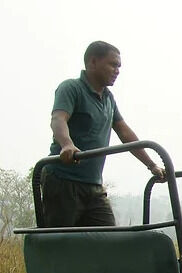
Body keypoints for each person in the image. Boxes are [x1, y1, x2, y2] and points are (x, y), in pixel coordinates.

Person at [42, 41, 165, 227]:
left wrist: (152, 165)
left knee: (109, 241)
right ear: (93, 62)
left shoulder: (108, 98)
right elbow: (58, 119)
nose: (117, 70)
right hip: (63, 181)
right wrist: (67, 144)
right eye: (113, 64)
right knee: (61, 244)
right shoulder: (71, 88)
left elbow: (124, 133)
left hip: (93, 185)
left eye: (119, 66)